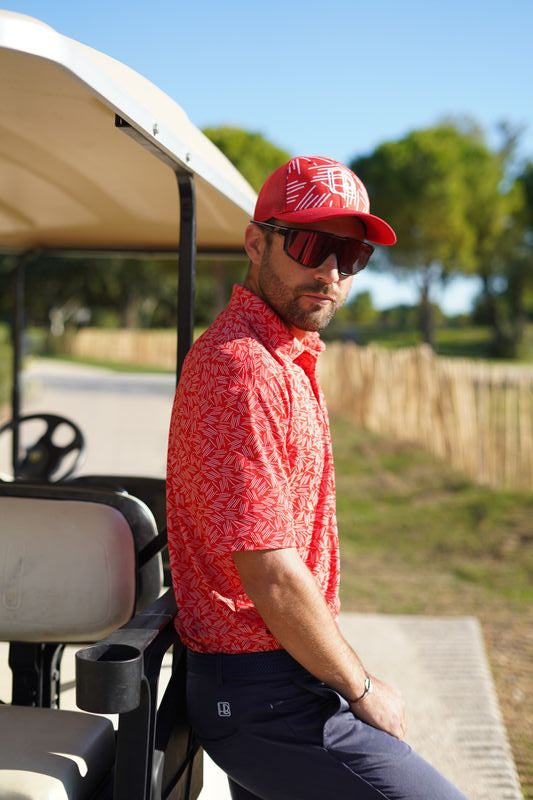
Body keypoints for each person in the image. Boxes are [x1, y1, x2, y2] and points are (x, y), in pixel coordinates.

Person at [166, 155, 467, 800]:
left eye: (350, 256)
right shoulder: (240, 368)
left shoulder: (284, 359)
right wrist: (361, 689)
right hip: (262, 692)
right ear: (256, 243)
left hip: (283, 678)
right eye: (310, 245)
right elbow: (271, 571)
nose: (329, 271)